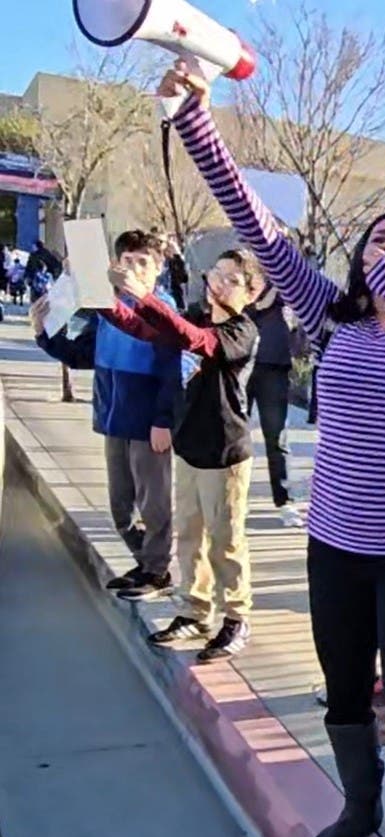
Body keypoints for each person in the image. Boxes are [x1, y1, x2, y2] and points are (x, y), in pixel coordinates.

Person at [162, 62, 385, 837]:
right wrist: (194, 119)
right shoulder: (327, 314)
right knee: (340, 689)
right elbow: (255, 222)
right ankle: (359, 809)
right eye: (380, 235)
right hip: (337, 542)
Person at [105, 248, 261, 662]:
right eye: (218, 273)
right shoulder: (196, 313)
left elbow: (196, 342)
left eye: (232, 279)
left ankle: (236, 617)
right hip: (190, 447)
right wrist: (105, 302)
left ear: (252, 291)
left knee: (225, 542)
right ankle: (195, 610)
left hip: (225, 453)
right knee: (190, 536)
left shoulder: (241, 331)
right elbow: (148, 331)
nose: (220, 283)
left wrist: (145, 295)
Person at [31, 230, 180, 600]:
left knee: (154, 503)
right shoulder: (107, 307)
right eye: (126, 261)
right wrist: (43, 335)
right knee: (120, 508)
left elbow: (174, 372)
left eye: (142, 262)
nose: (132, 268)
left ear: (158, 268)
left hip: (148, 424)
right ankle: (145, 563)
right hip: (114, 418)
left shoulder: (164, 311)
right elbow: (83, 356)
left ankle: (158, 571)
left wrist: (163, 420)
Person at [246, 269, 304, 527]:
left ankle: (285, 499)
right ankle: (235, 497)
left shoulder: (285, 277)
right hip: (243, 360)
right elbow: (255, 304)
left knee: (277, 436)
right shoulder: (244, 272)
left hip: (275, 363)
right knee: (235, 434)